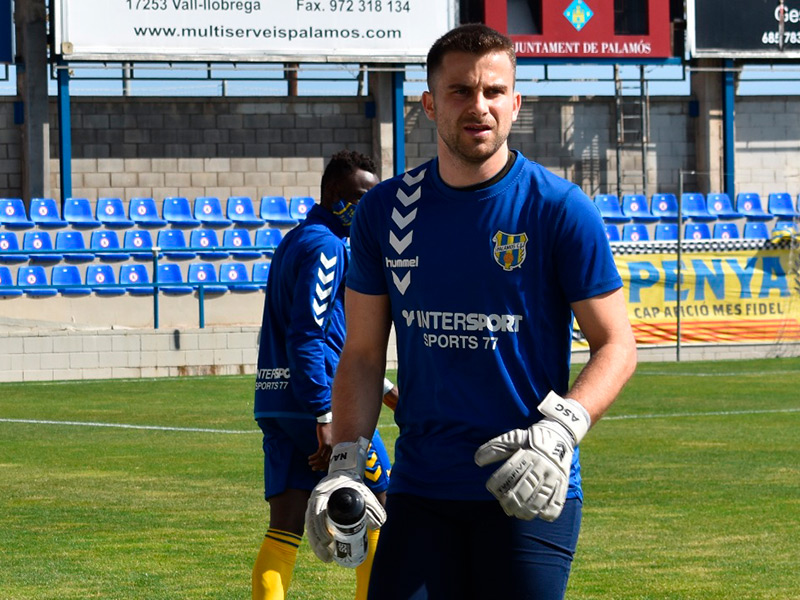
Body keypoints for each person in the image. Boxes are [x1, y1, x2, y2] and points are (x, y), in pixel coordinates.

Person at [304, 23, 637, 600]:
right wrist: (345, 462)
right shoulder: (385, 210)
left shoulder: (560, 209)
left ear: (515, 103)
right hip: (422, 489)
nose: (477, 106)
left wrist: (561, 431)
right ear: (430, 104)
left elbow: (617, 344)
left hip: (531, 489)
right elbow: (360, 354)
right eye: (459, 91)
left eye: (492, 91)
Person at [252, 149, 397, 600]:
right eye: (360, 196)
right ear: (334, 194)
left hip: (276, 398)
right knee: (380, 509)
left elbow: (327, 336)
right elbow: (308, 335)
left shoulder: (295, 239)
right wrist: (325, 413)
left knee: (285, 530)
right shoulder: (328, 247)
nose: (366, 206)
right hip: (315, 405)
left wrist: (386, 389)